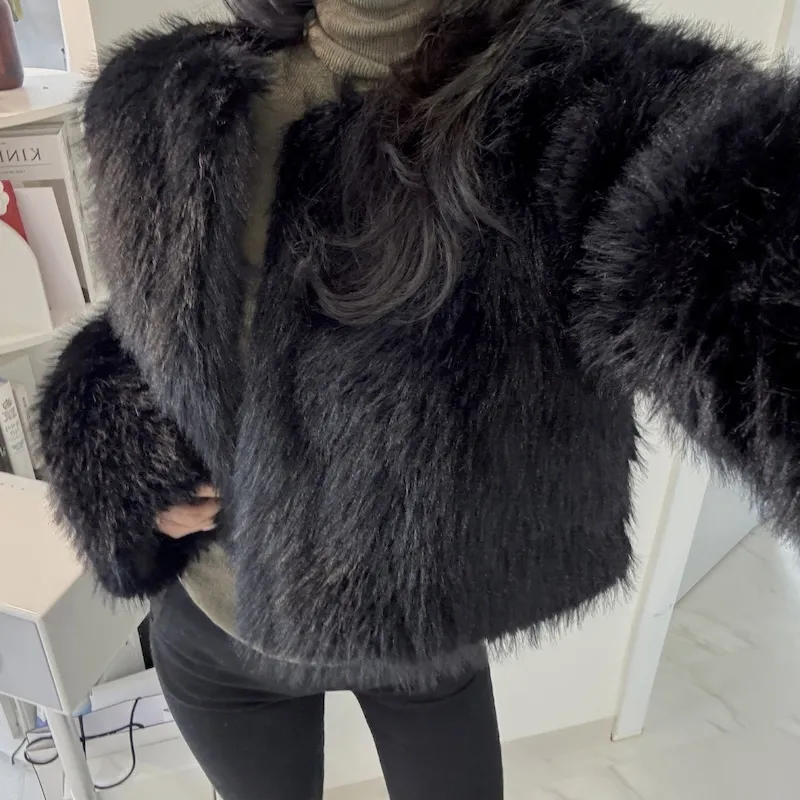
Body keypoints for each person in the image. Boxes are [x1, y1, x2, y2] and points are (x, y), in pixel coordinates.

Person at [36, 0, 800, 797]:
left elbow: (732, 231)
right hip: (214, 636)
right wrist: (113, 449)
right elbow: (149, 331)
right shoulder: (165, 96)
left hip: (418, 642)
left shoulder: (575, 94)